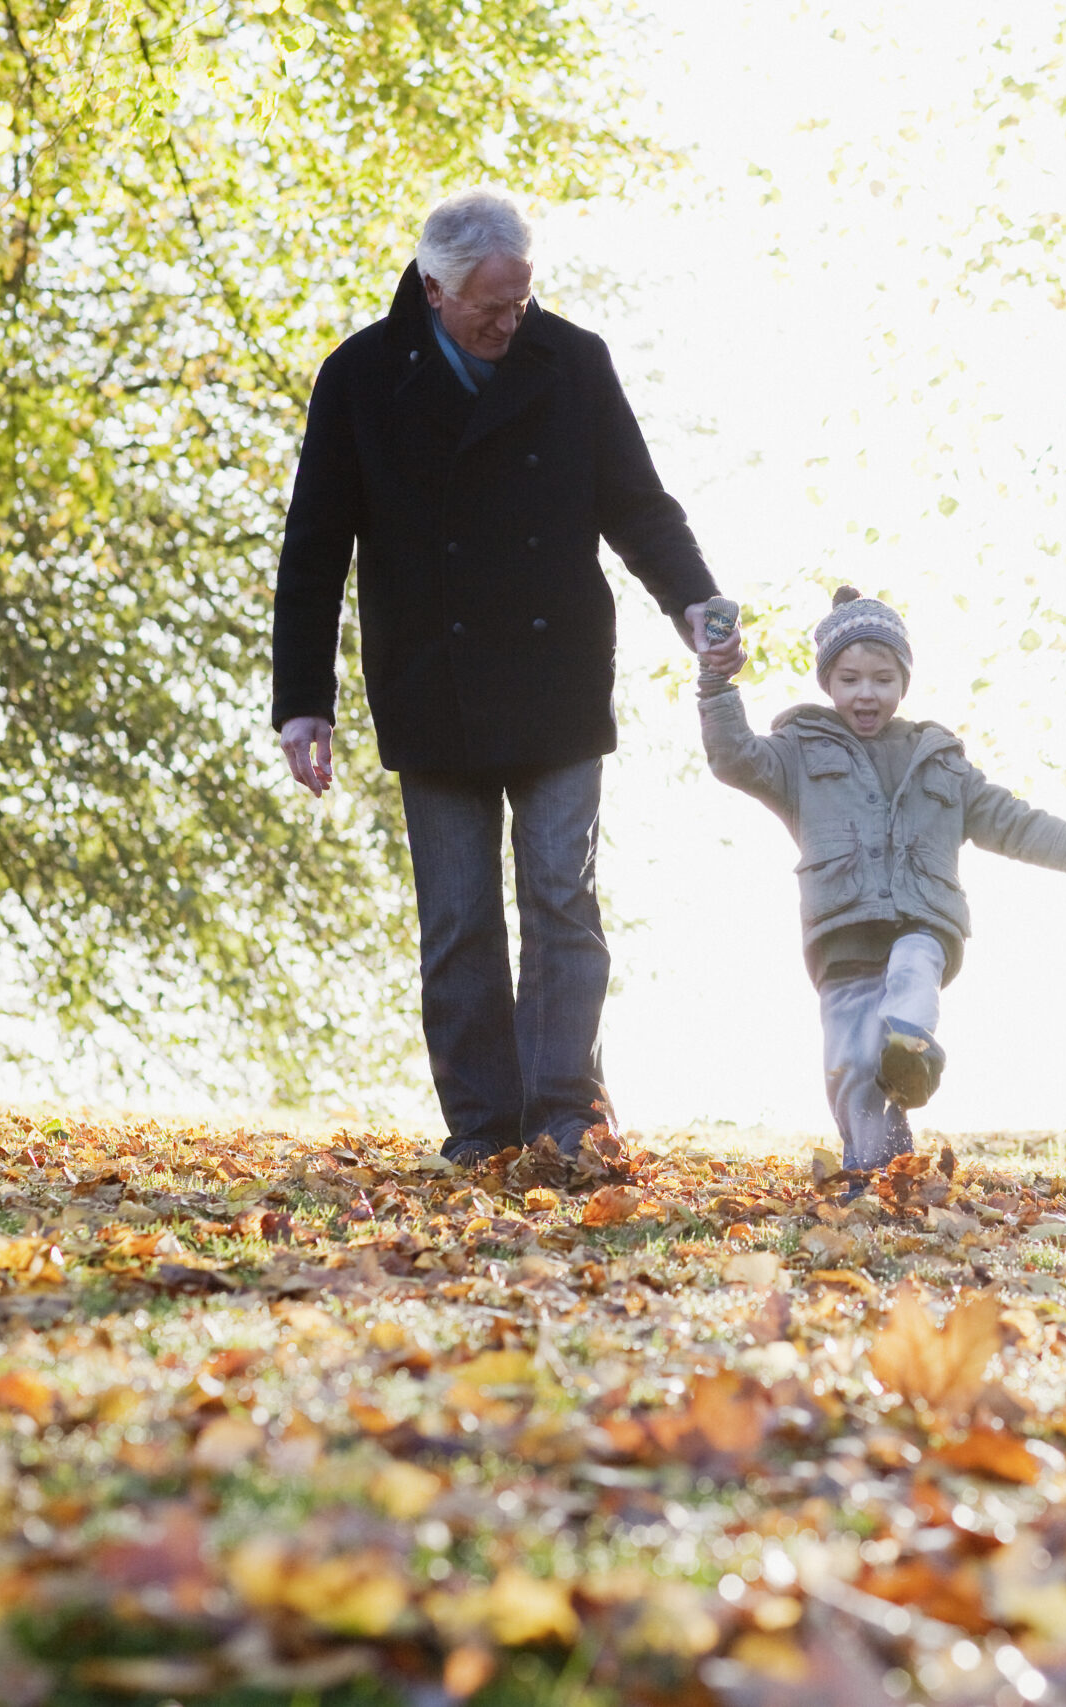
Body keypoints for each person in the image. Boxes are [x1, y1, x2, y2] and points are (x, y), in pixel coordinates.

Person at [270, 187, 744, 1163]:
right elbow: (314, 547)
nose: (509, 320)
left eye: (521, 301)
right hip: (429, 678)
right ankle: (484, 1133)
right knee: (457, 920)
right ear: (436, 289)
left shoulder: (571, 362)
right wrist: (301, 703)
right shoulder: (360, 377)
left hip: (557, 670)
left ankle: (566, 1121)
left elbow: (637, 505)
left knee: (562, 901)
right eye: (492, 304)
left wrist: (691, 601)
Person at [699, 587, 1066, 1181]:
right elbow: (734, 759)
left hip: (921, 923)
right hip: (842, 935)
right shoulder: (798, 752)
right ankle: (879, 1172)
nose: (865, 693)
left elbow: (1018, 824)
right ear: (828, 683)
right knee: (849, 1064)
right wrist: (715, 684)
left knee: (912, 967)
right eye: (849, 679)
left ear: (903, 683)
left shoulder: (940, 760)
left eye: (882, 679)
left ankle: (910, 1044)